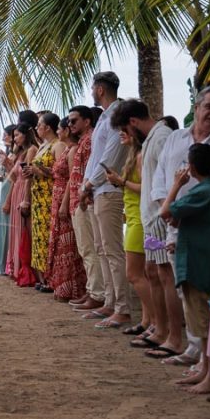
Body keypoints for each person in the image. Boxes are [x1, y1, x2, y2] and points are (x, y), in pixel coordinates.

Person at [149, 87, 210, 360]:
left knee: (202, 289)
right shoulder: (176, 138)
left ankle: (204, 355)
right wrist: (165, 211)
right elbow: (161, 174)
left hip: (204, 225)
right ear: (196, 107)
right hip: (174, 220)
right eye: (209, 106)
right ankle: (193, 348)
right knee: (182, 285)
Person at [109, 99, 176, 346]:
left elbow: (168, 181)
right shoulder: (150, 140)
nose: (126, 136)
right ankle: (157, 326)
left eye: (126, 130)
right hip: (149, 217)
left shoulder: (160, 138)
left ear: (133, 123)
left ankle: (165, 330)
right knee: (153, 273)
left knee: (163, 275)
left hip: (158, 217)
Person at [159, 143, 210, 394]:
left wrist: (176, 185)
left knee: (201, 322)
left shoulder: (202, 191)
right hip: (201, 259)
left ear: (190, 167)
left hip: (197, 264)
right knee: (202, 323)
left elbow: (165, 211)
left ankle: (209, 374)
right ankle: (205, 369)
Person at [81, 72, 130, 329]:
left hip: (108, 190)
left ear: (100, 89)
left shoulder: (115, 116)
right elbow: (95, 156)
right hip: (98, 191)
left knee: (112, 251)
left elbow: (109, 157)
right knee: (101, 249)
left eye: (93, 87)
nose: (91, 91)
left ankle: (122, 307)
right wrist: (87, 186)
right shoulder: (105, 117)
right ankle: (110, 303)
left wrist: (89, 183)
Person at [104, 123, 153, 336]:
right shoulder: (133, 155)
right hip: (132, 217)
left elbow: (146, 188)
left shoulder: (141, 156)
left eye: (125, 130)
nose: (121, 134)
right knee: (140, 274)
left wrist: (121, 181)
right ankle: (147, 320)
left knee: (134, 274)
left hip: (139, 219)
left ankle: (154, 321)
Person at [67, 106, 104, 312]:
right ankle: (93, 290)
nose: (70, 125)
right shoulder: (84, 141)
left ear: (87, 121)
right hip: (78, 199)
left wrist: (83, 197)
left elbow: (91, 172)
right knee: (87, 249)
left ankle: (96, 293)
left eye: (74, 121)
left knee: (90, 249)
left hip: (84, 200)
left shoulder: (90, 141)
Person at [47, 117, 86, 301]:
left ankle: (71, 287)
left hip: (65, 196)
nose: (58, 132)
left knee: (68, 246)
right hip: (58, 196)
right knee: (61, 243)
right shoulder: (68, 150)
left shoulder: (72, 151)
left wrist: (64, 203)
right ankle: (62, 285)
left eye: (60, 129)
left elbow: (72, 178)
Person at [28, 112, 64, 290]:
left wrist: (40, 171)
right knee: (39, 238)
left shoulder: (58, 145)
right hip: (38, 197)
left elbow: (60, 172)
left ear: (48, 127)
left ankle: (50, 279)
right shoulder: (44, 145)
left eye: (39, 124)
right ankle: (42, 278)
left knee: (47, 237)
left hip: (49, 196)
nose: (37, 128)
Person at [5, 123, 38, 286]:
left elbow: (27, 177)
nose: (14, 138)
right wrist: (5, 163)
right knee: (16, 230)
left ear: (26, 134)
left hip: (23, 191)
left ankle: (24, 268)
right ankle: (16, 267)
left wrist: (26, 198)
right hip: (18, 188)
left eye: (17, 135)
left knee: (23, 230)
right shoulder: (21, 153)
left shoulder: (31, 150)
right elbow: (12, 177)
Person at [0, 125, 16, 275]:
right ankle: (2, 264)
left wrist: (5, 162)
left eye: (5, 135)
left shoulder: (16, 154)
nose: (3, 138)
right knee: (3, 227)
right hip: (5, 186)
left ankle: (6, 265)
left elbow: (15, 175)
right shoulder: (10, 153)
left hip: (11, 189)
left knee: (8, 226)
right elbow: (4, 175)